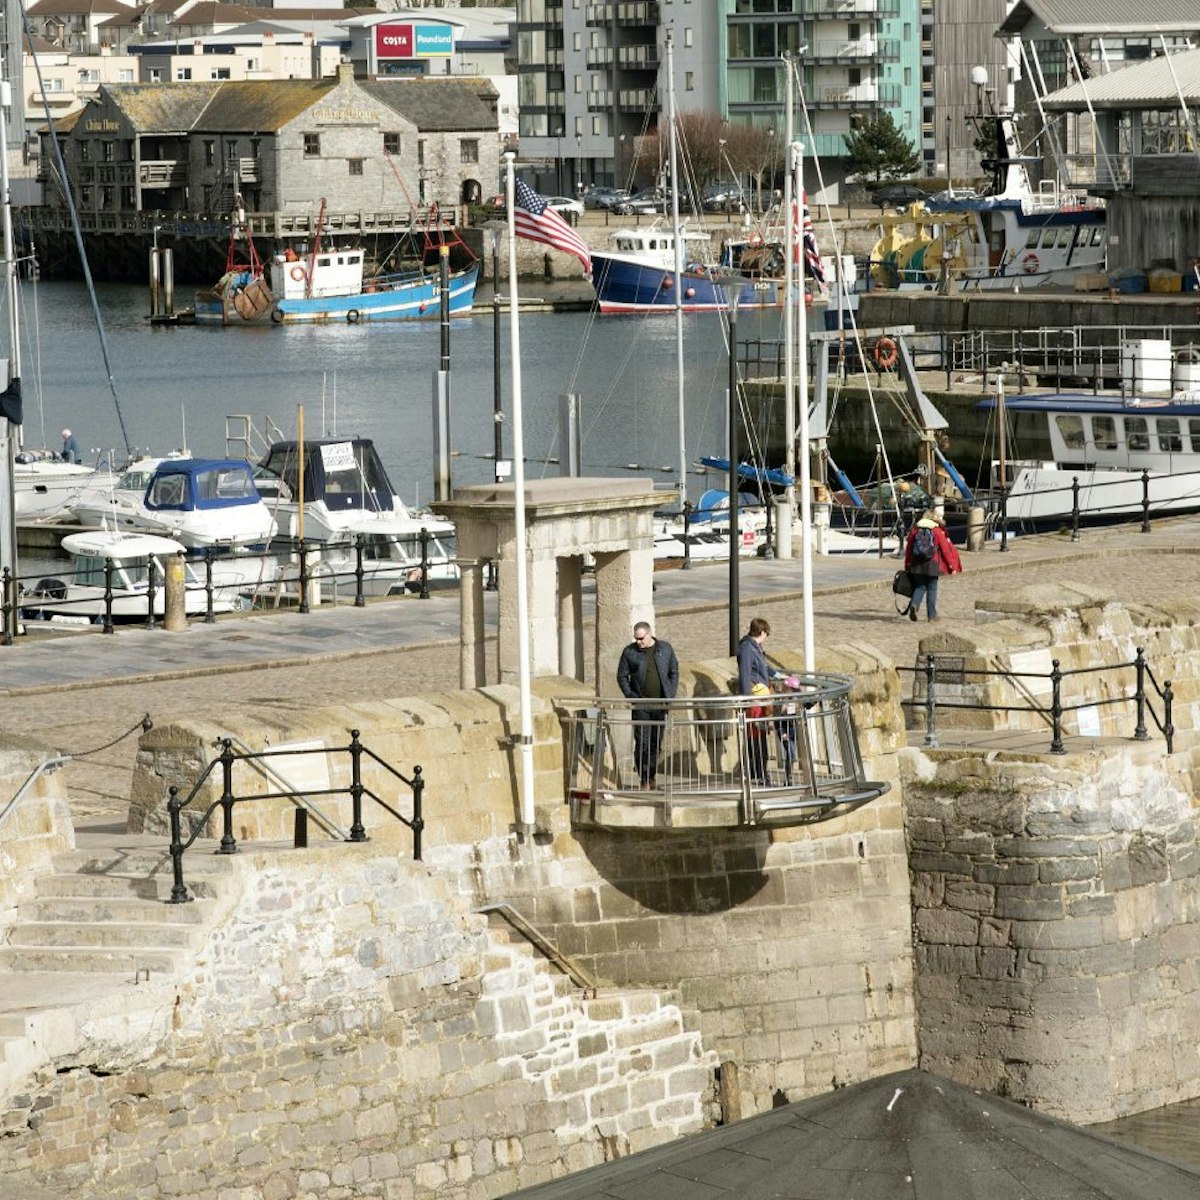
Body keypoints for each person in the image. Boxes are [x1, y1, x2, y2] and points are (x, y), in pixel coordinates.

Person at [616, 621, 679, 789]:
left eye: (641, 638)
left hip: (660, 705)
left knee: (655, 743)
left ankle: (651, 776)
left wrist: (670, 694)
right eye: (636, 638)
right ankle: (644, 779)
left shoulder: (665, 649)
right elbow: (622, 676)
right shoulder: (630, 652)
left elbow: (674, 671)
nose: (638, 642)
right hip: (641, 705)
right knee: (642, 742)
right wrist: (631, 696)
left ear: (649, 634)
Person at [903, 509, 962, 622]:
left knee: (920, 586)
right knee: (932, 589)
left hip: (916, 564)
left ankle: (914, 604)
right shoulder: (937, 530)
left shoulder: (915, 530)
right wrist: (952, 566)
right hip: (932, 564)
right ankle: (932, 616)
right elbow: (945, 550)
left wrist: (907, 565)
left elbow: (909, 549)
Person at [736, 617, 772, 784]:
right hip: (754, 700)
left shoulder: (756, 647)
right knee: (754, 737)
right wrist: (750, 700)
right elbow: (744, 675)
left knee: (761, 736)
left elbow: (764, 667)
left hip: (760, 699)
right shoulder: (747, 649)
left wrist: (778, 675)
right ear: (762, 632)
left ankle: (761, 771)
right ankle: (756, 773)